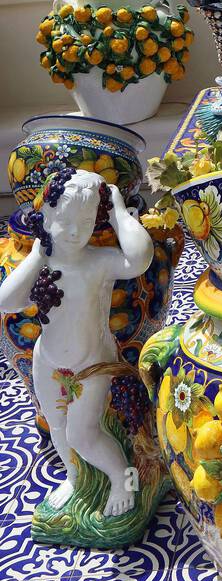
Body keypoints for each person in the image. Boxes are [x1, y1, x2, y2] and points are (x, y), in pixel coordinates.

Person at [0, 168, 153, 518]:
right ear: (47, 215)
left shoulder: (98, 263)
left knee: (83, 434)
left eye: (85, 221)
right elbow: (7, 301)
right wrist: (38, 253)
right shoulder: (43, 262)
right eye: (65, 220)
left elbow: (140, 258)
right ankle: (74, 477)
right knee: (57, 425)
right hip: (48, 360)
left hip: (91, 364)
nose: (74, 231)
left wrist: (116, 212)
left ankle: (121, 478)